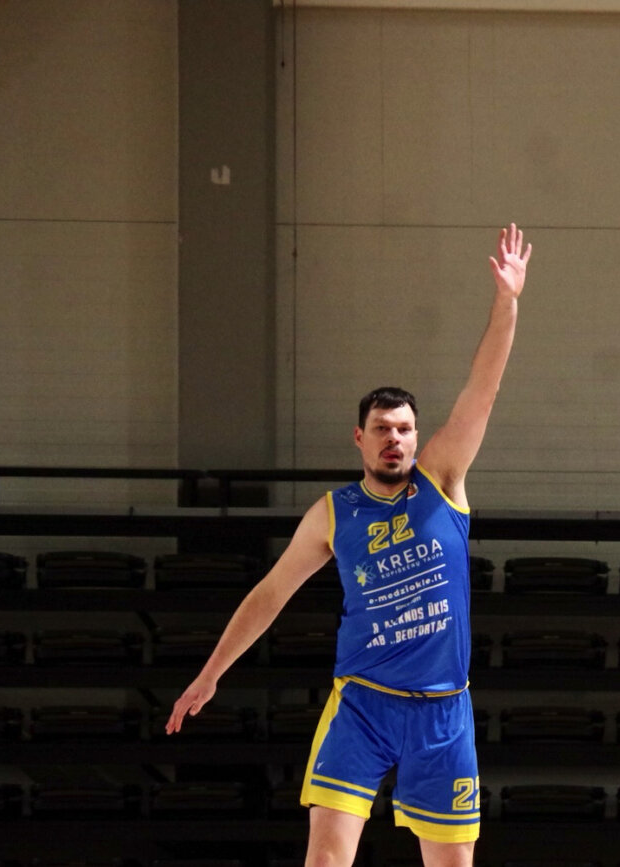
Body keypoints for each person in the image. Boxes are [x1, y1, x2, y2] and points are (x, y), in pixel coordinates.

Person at [166, 224, 533, 867]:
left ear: (418, 437)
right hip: (362, 703)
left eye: (405, 429)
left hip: (443, 709)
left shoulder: (442, 481)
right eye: (382, 429)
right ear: (359, 438)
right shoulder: (333, 514)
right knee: (327, 860)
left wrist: (507, 301)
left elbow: (483, 390)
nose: (396, 439)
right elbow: (270, 594)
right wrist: (211, 672)